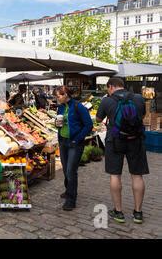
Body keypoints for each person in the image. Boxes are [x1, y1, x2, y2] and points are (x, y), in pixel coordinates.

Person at [96, 77, 148, 224]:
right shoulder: (138, 98)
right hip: (135, 140)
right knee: (137, 176)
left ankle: (118, 212)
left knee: (115, 175)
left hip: (115, 140)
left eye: (108, 88)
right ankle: (138, 213)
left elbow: (99, 120)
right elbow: (142, 116)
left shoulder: (107, 100)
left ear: (111, 86)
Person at [54, 86, 93, 211]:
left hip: (75, 143)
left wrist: (78, 138)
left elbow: (88, 125)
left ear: (66, 94)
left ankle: (71, 199)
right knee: (65, 169)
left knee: (71, 170)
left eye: (59, 95)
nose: (57, 98)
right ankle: (68, 190)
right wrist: (57, 124)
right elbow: (60, 122)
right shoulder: (60, 107)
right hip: (63, 141)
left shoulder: (78, 106)